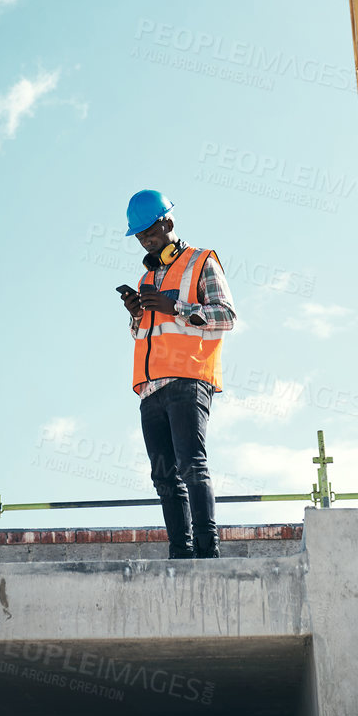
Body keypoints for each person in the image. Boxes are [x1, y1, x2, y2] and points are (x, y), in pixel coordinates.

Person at [118, 190, 236, 559]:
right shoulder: (144, 280)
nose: (146, 242)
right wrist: (136, 313)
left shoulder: (201, 262)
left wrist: (177, 307)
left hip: (188, 380)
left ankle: (206, 549)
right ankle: (180, 553)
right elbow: (142, 334)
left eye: (150, 234)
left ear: (168, 224)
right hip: (151, 389)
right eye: (140, 238)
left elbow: (227, 315)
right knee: (163, 477)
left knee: (191, 465)